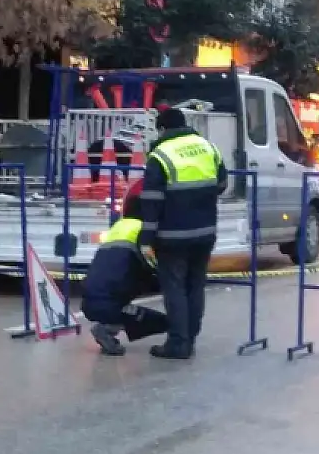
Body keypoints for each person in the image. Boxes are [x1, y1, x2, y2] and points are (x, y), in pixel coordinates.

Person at [139, 107, 227, 360]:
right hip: (205, 232)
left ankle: (179, 343)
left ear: (163, 129)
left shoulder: (160, 155)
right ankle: (191, 336)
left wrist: (146, 239)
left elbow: (152, 201)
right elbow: (221, 184)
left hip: (173, 235)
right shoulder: (208, 147)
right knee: (195, 285)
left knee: (174, 287)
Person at [82, 180, 169, 356]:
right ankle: (106, 328)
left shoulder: (118, 228)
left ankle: (109, 327)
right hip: (108, 303)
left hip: (89, 301)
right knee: (167, 322)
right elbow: (157, 268)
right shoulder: (143, 231)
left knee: (126, 288)